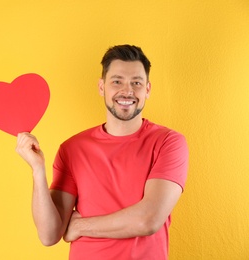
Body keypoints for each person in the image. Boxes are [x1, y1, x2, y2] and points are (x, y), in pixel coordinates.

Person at [16, 44, 189, 260]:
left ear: (147, 89)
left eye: (136, 83)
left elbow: (148, 220)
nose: (127, 91)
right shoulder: (72, 149)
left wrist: (80, 227)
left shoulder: (168, 142)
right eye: (117, 81)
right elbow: (49, 234)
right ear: (101, 87)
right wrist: (37, 170)